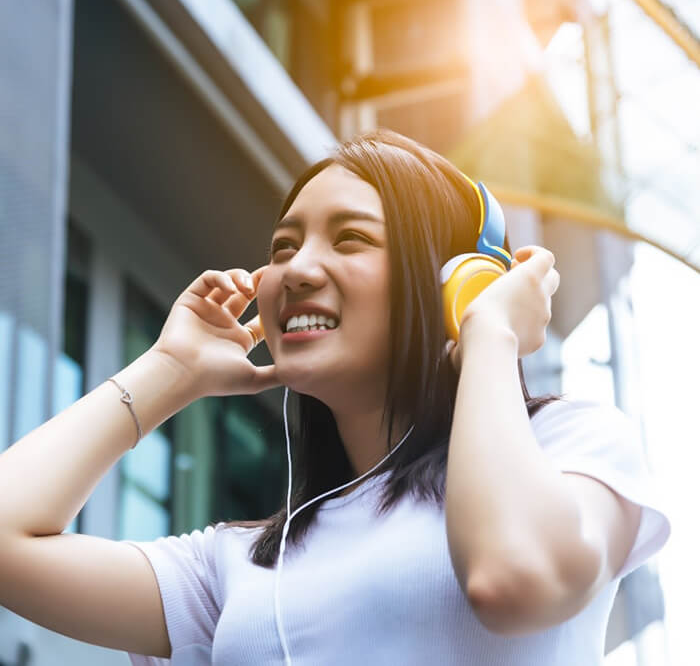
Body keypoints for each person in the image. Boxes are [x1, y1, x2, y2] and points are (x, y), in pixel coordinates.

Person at [0, 129, 670, 665]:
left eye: (350, 239)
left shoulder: (568, 450)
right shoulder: (235, 565)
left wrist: (487, 334)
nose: (296, 270)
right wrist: (170, 370)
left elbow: (513, 578)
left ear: (452, 284)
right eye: (284, 247)